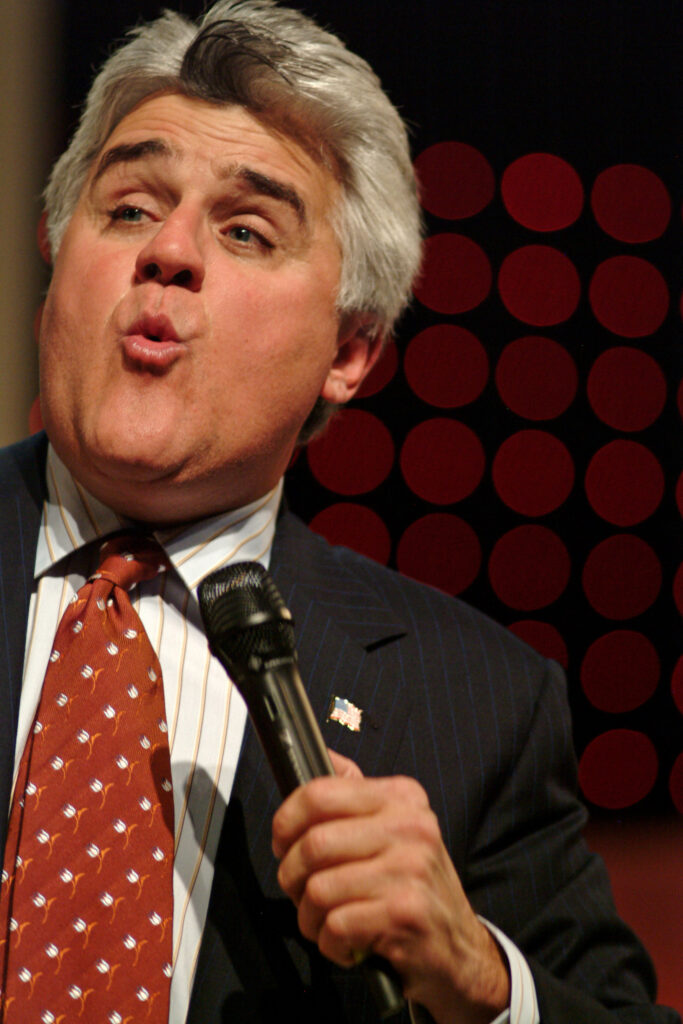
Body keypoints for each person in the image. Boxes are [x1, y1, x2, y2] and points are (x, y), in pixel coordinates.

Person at [0, 2, 678, 1022]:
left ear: (349, 352)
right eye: (131, 208)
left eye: (245, 230)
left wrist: (478, 977)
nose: (169, 250)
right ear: (57, 257)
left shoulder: (480, 706)